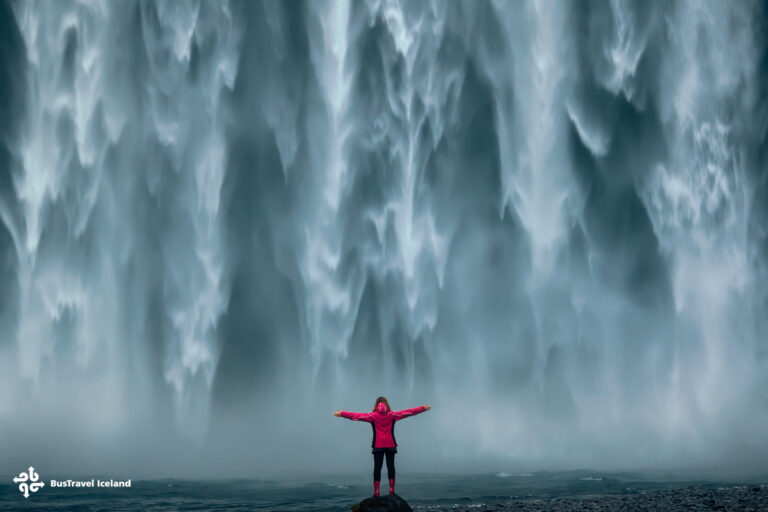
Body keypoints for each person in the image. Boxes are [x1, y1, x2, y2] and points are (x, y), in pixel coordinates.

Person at [334, 396, 431, 497]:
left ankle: (376, 491)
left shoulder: (372, 416)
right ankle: (391, 490)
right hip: (391, 444)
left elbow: (356, 416)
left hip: (378, 445)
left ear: (376, 405)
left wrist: (342, 413)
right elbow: (409, 412)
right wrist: (423, 408)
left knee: (377, 468)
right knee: (391, 467)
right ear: (387, 404)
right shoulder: (393, 415)